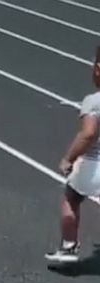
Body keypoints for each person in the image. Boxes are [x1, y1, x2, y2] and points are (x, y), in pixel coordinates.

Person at [45, 46, 100, 263]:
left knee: (71, 197)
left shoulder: (93, 101)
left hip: (94, 164)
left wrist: (68, 158)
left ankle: (69, 247)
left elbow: (88, 134)